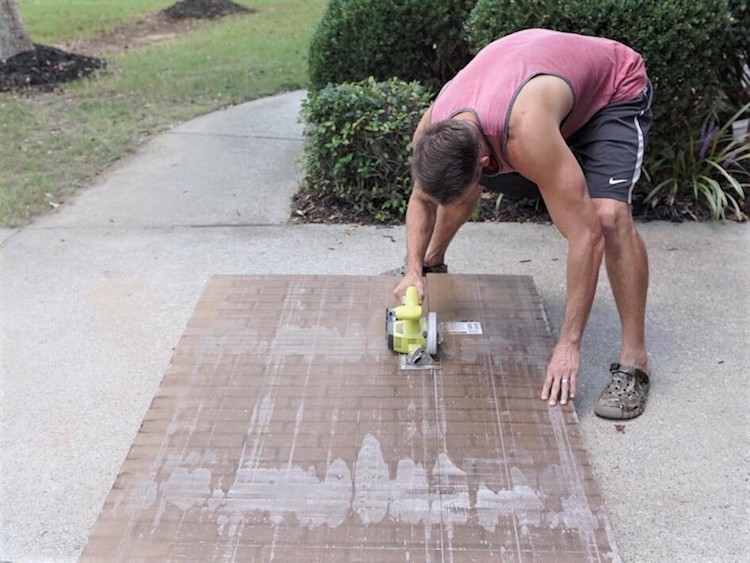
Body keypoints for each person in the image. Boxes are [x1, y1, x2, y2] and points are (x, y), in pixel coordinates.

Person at [391, 28, 653, 419]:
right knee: (444, 195)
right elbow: (421, 198)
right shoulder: (433, 129)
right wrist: (413, 270)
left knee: (607, 217)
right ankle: (431, 263)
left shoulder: (525, 134)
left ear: (483, 164)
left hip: (610, 92)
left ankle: (635, 361)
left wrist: (568, 345)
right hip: (538, 87)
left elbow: (587, 238)